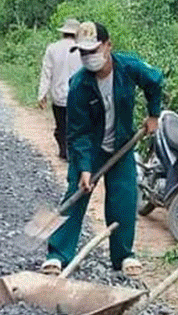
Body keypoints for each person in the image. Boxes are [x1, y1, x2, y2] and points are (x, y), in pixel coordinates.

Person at [41, 21, 163, 278]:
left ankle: (123, 256)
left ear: (108, 46)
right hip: (91, 149)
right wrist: (84, 168)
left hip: (122, 145)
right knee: (76, 192)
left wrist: (154, 114)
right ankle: (58, 253)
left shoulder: (128, 68)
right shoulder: (79, 85)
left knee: (124, 198)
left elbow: (155, 80)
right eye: (83, 52)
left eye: (93, 50)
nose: (89, 57)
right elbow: (78, 132)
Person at [38, 17, 84, 160]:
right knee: (76, 125)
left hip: (58, 96)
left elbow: (47, 73)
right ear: (77, 33)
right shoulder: (82, 49)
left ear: (63, 32)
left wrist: (42, 95)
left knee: (61, 125)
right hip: (78, 95)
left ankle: (64, 150)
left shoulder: (52, 48)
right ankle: (72, 151)